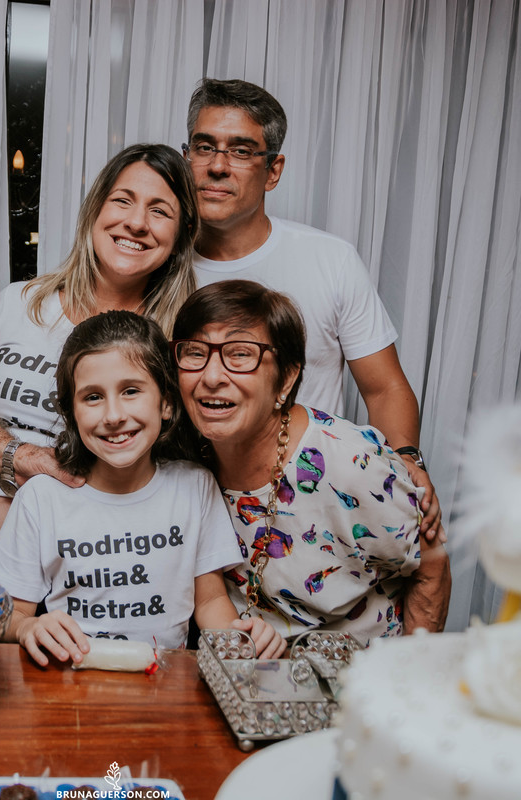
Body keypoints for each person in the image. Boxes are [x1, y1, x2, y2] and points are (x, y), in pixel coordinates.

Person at [184, 78, 442, 542]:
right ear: (187, 158)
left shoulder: (329, 259)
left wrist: (406, 460)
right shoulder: (156, 264)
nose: (218, 166)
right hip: (188, 511)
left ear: (273, 170)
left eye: (241, 151)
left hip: (310, 516)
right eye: (205, 147)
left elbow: (384, 387)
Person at [0, 311, 284, 666]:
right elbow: (6, 614)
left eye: (130, 391)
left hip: (166, 683)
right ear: (71, 412)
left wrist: (238, 639)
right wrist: (28, 627)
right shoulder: (41, 498)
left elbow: (209, 600)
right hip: (72, 681)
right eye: (93, 397)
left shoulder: (195, 486)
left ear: (166, 402)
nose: (113, 415)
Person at [0, 144, 199, 566]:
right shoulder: (18, 303)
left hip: (103, 578)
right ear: (94, 210)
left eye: (160, 211)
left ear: (180, 239)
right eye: (122, 200)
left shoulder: (178, 341)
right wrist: (21, 458)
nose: (136, 222)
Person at [173, 281, 451, 644]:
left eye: (240, 354)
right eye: (195, 353)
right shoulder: (184, 454)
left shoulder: (350, 464)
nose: (211, 377)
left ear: (286, 379)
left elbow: (431, 565)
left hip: (360, 671)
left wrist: (414, 669)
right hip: (249, 668)